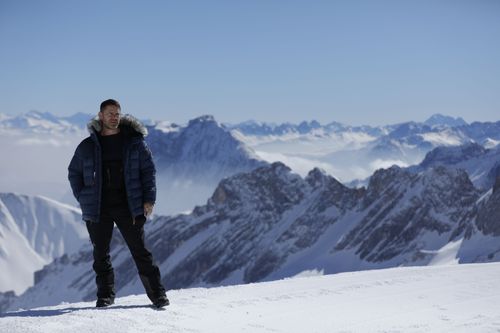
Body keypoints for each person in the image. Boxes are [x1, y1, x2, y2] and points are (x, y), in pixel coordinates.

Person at [68, 99, 169, 308]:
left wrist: (149, 199)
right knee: (100, 255)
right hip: (98, 207)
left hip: (128, 206)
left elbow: (148, 171)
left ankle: (158, 295)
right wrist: (83, 197)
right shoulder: (87, 146)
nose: (114, 117)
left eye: (117, 114)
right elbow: (74, 173)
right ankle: (105, 296)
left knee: (140, 251)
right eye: (110, 113)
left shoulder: (134, 142)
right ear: (101, 116)